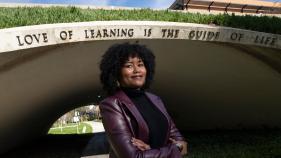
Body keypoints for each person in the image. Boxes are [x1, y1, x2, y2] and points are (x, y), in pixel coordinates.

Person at [99, 43, 188, 158]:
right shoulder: (111, 105)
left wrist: (150, 150)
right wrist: (174, 148)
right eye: (129, 66)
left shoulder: (155, 99)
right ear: (116, 72)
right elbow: (132, 156)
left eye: (140, 64)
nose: (136, 70)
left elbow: (183, 145)